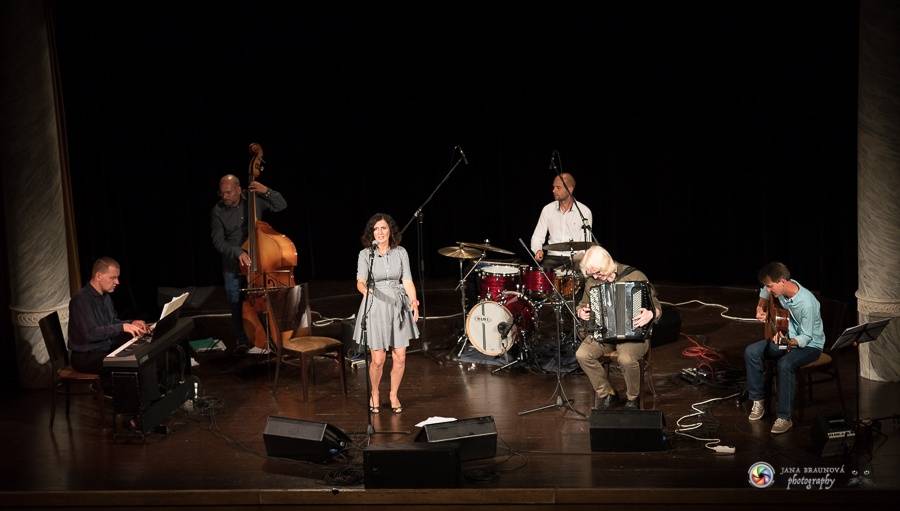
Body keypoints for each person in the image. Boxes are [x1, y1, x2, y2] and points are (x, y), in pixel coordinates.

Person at [574, 246, 661, 410]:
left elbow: (656, 305)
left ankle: (632, 398)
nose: (596, 277)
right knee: (583, 354)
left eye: (598, 273)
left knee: (626, 359)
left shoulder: (634, 276)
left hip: (634, 333)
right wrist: (581, 311)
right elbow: (583, 304)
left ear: (607, 264)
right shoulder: (592, 282)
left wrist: (651, 313)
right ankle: (607, 394)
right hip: (604, 333)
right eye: (592, 275)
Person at [744, 261, 825, 435]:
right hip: (787, 338)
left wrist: (786, 343)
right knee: (751, 351)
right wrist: (760, 307)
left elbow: (806, 337)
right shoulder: (780, 287)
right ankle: (759, 401)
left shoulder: (807, 303)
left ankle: (784, 417)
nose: (769, 289)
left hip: (809, 346)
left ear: (782, 281)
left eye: (771, 286)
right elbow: (765, 292)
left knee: (785, 364)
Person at [210, 174, 287, 354]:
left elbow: (282, 205)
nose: (225, 197)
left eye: (228, 192)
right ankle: (242, 339)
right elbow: (218, 241)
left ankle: (272, 336)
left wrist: (266, 191)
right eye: (222, 193)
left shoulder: (254, 199)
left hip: (259, 261)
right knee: (235, 301)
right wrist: (238, 252)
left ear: (238, 189)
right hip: (233, 263)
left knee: (266, 298)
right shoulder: (217, 210)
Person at [352, 213, 420, 414]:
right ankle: (374, 392)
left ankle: (393, 394)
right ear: (371, 233)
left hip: (397, 304)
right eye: (376, 229)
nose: (380, 232)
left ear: (390, 230)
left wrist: (414, 302)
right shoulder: (366, 255)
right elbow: (360, 281)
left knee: (400, 357)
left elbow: (407, 280)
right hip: (375, 306)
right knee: (378, 360)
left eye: (383, 228)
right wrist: (366, 291)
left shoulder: (401, 252)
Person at [68, 257, 148, 376]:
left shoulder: (106, 297)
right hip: (87, 356)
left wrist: (131, 323)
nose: (117, 282)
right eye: (113, 278)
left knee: (143, 353)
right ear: (99, 276)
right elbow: (90, 333)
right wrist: (122, 327)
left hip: (104, 347)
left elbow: (112, 322)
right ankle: (122, 393)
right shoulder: (81, 300)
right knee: (132, 364)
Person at [530, 172, 594, 271]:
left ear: (570, 189)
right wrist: (538, 250)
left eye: (558, 188)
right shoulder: (547, 209)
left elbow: (586, 244)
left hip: (574, 259)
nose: (553, 190)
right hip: (552, 258)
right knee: (540, 277)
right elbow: (538, 236)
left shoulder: (584, 212)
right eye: (553, 187)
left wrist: (579, 260)